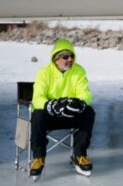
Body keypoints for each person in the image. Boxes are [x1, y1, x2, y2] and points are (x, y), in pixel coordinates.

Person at [29, 38, 95, 177]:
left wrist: (79, 103)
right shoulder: (44, 72)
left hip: (70, 115)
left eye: (71, 56)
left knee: (88, 112)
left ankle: (80, 155)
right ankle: (38, 158)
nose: (70, 59)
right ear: (56, 59)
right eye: (65, 57)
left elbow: (86, 93)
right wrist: (51, 105)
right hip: (50, 117)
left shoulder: (79, 71)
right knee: (37, 114)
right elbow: (37, 98)